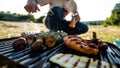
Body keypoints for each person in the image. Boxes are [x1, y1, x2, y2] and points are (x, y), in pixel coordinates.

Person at [24, 0, 88, 35]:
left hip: (61, 23)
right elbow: (35, 1)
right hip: (50, 21)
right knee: (56, 9)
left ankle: (64, 36)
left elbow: (75, 13)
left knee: (84, 27)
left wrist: (77, 17)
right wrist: (30, 1)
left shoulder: (73, 3)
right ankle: (53, 34)